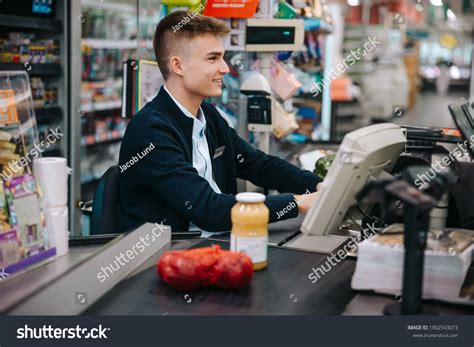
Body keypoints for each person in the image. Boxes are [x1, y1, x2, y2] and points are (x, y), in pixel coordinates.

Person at [118, 11, 321, 233]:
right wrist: (297, 203)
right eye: (213, 58)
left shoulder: (209, 116)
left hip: (217, 242)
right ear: (178, 66)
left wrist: (316, 185)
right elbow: (209, 210)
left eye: (222, 57)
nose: (225, 68)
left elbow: (258, 164)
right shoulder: (150, 131)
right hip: (170, 255)